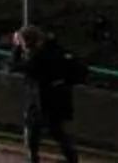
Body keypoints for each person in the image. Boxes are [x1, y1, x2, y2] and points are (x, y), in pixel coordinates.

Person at [11, 26, 86, 163]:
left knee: (35, 130)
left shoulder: (39, 57)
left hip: (43, 99)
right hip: (60, 96)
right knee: (57, 131)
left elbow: (16, 66)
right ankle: (72, 158)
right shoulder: (57, 51)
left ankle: (34, 158)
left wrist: (17, 48)